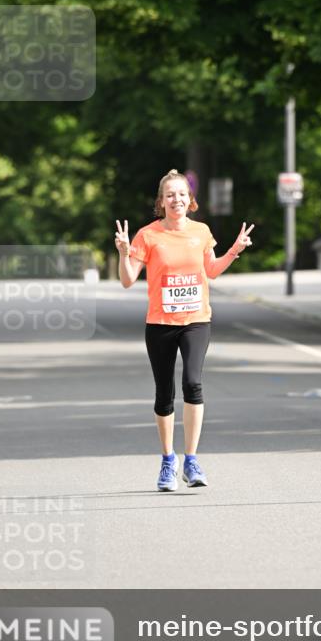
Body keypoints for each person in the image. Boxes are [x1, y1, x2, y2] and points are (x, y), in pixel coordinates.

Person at [115, 169, 254, 492]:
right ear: (160, 203)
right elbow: (126, 279)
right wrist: (124, 252)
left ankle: (191, 460)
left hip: (196, 320)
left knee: (193, 383)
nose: (176, 200)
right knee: (165, 394)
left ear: (190, 200)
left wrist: (234, 250)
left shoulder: (202, 231)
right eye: (169, 195)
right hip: (160, 323)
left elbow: (212, 271)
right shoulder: (147, 235)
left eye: (181, 194)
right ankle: (168, 461)